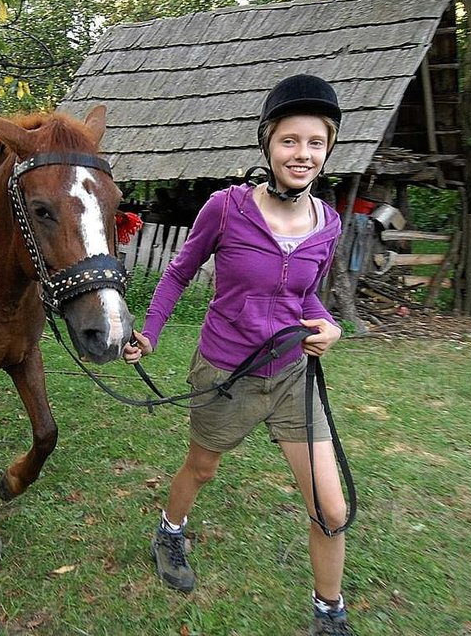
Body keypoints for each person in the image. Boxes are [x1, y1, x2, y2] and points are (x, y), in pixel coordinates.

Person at [123, 75, 353, 636]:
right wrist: (150, 331)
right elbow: (178, 271)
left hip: (292, 373)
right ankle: (169, 530)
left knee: (333, 509)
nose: (302, 154)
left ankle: (329, 613)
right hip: (226, 372)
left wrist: (331, 326)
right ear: (268, 143)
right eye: (290, 141)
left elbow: (306, 295)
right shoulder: (226, 208)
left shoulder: (328, 223)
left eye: (315, 143)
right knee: (202, 467)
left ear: (327, 150)